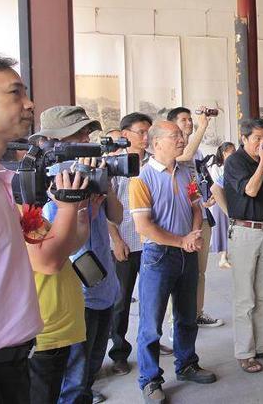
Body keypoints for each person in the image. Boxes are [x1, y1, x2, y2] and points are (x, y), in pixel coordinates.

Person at [0, 52, 80, 404]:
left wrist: (77, 208)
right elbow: (47, 260)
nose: (29, 103)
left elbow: (52, 246)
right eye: (15, 92)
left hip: (12, 360)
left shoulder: (0, 183)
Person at [130, 120, 217, 403]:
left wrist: (193, 234)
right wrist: (181, 241)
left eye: (181, 135)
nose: (182, 139)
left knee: (187, 315)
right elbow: (144, 227)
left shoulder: (185, 172)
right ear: (156, 143)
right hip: (159, 257)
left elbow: (196, 206)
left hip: (186, 253)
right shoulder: (141, 178)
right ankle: (150, 380)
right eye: (175, 136)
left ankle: (187, 364)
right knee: (151, 325)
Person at [29, 107, 104, 404]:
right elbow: (49, 261)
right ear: (51, 143)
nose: (87, 141)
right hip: (43, 331)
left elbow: (69, 245)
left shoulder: (55, 189)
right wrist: (68, 206)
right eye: (78, 135)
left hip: (65, 323)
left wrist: (82, 209)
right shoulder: (29, 194)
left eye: (87, 134)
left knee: (75, 391)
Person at [108, 112, 171, 377]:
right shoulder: (113, 164)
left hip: (151, 244)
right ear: (125, 135)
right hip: (125, 243)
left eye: (148, 132)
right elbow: (106, 208)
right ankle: (119, 353)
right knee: (121, 302)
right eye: (141, 132)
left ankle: (152, 343)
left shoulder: (154, 163)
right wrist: (116, 240)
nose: (146, 137)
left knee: (152, 300)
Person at [224, 118, 263, 374]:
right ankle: (245, 352)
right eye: (258, 139)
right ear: (244, 139)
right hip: (244, 232)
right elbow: (250, 190)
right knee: (244, 297)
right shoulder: (236, 162)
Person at [167, 107, 223, 328]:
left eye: (191, 119)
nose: (189, 123)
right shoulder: (173, 151)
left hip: (200, 216)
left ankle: (197, 313)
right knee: (177, 272)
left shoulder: (198, 152)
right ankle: (175, 320)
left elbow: (195, 180)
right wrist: (203, 126)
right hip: (180, 219)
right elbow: (184, 157)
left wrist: (205, 197)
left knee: (200, 271)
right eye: (184, 120)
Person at [206, 142, 236, 269]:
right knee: (223, 228)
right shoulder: (216, 167)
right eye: (232, 151)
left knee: (231, 228)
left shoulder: (234, 166)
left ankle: (226, 255)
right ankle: (223, 257)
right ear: (224, 153)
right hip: (220, 201)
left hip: (231, 200)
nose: (234, 154)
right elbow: (216, 186)